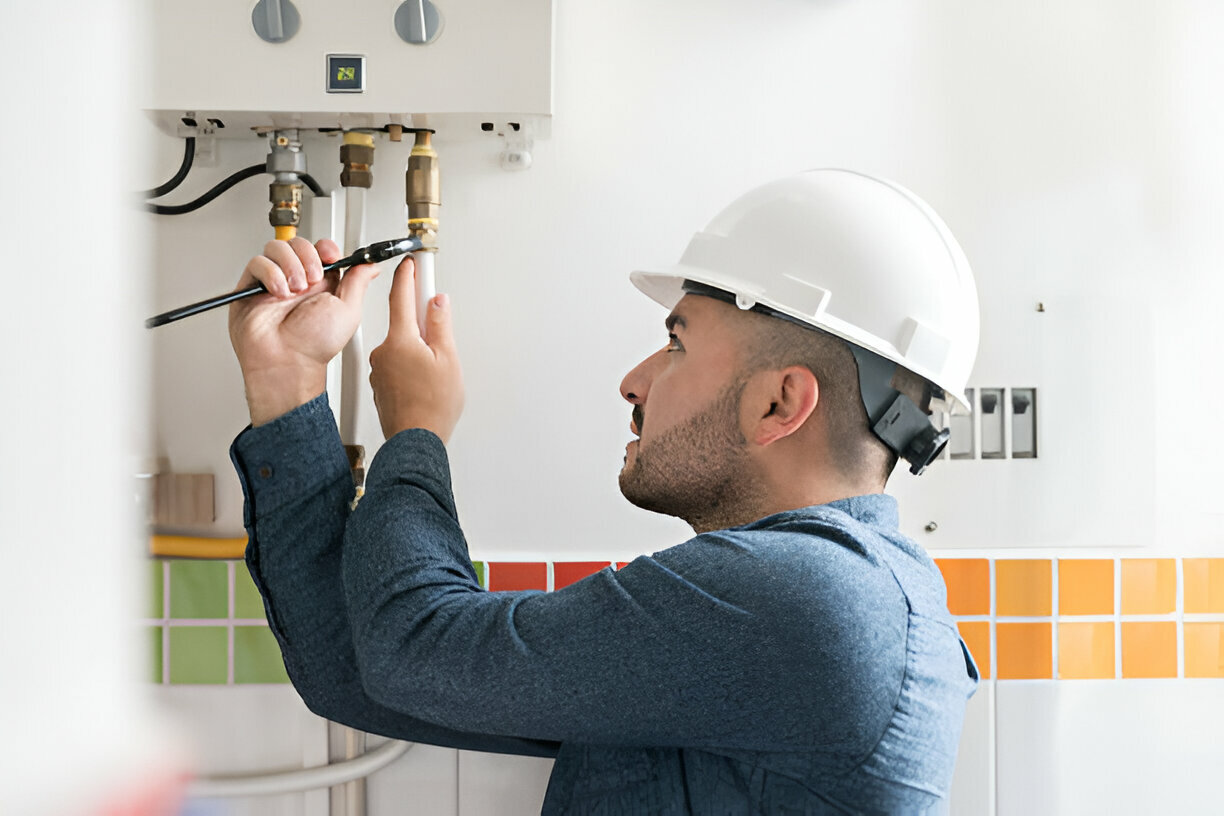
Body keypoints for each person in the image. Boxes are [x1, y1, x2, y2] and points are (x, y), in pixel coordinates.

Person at [228, 169, 981, 814]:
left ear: (780, 404)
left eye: (678, 341)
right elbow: (369, 677)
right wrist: (286, 380)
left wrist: (416, 432)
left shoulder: (810, 599)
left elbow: (413, 651)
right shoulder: (794, 615)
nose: (635, 380)